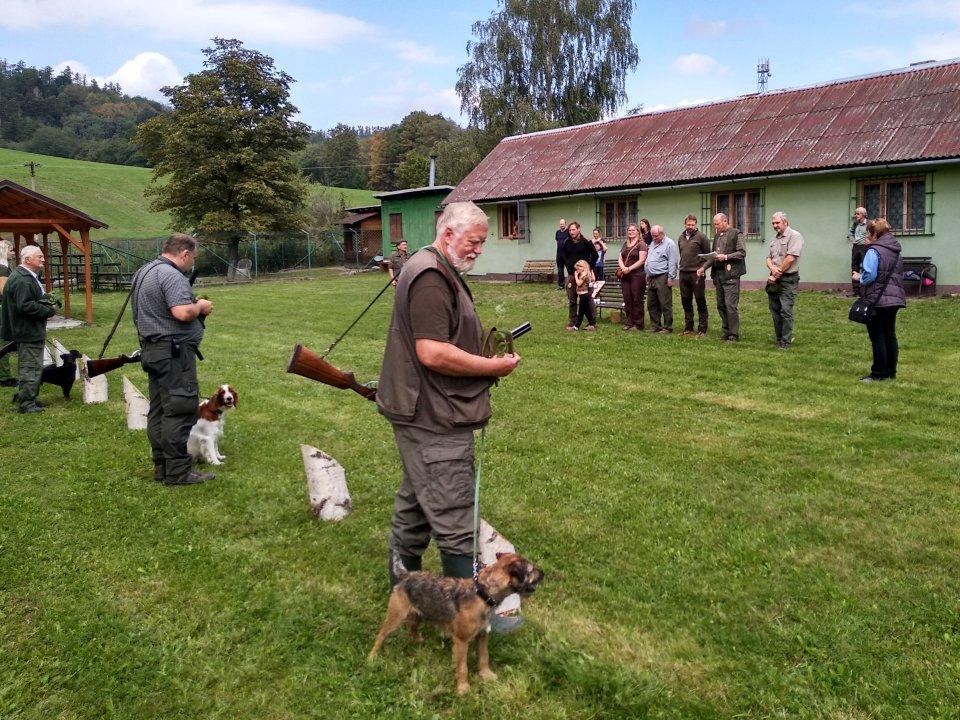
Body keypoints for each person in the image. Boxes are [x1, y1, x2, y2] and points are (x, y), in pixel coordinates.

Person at [377, 200, 521, 606]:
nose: (478, 250)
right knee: (455, 509)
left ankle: (401, 594)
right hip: (433, 414)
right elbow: (432, 352)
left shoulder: (434, 267)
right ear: (448, 233)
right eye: (473, 242)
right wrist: (491, 365)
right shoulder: (430, 276)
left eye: (482, 243)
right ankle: (470, 609)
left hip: (424, 408)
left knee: (416, 503)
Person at [131, 233, 214, 486]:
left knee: (159, 411)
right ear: (185, 254)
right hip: (174, 354)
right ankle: (177, 472)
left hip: (153, 351)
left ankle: (162, 467)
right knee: (179, 410)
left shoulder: (145, 271)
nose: (191, 264)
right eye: (193, 259)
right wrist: (200, 306)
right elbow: (182, 311)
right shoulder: (171, 275)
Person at [0, 246, 56, 413]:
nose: (43, 259)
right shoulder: (23, 279)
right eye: (39, 257)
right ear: (28, 260)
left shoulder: (24, 276)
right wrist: (49, 310)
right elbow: (25, 306)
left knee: (30, 365)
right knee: (30, 367)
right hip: (27, 331)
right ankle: (26, 403)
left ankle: (28, 398)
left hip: (27, 329)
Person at [852, 218, 906, 382]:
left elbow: (869, 276)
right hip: (894, 298)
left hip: (877, 298)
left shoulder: (874, 250)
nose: (868, 235)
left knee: (877, 336)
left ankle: (878, 374)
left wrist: (858, 277)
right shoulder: (895, 250)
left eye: (869, 232)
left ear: (875, 233)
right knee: (890, 334)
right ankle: (890, 371)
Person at [698, 213, 746, 342]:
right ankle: (726, 331)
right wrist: (703, 268)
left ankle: (734, 334)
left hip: (731, 275)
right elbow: (714, 257)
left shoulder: (736, 233)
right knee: (721, 305)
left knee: (730, 305)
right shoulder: (717, 236)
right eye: (714, 224)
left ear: (725, 221)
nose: (716, 226)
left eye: (717, 224)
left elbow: (742, 253)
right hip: (719, 276)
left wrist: (725, 257)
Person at [765, 211, 804, 350]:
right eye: (773, 223)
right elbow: (768, 258)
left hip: (788, 279)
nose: (775, 225)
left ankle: (786, 342)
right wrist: (772, 269)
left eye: (777, 223)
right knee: (774, 310)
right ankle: (779, 338)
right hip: (774, 278)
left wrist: (776, 273)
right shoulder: (775, 239)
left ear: (785, 222)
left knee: (785, 310)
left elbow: (790, 258)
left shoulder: (795, 236)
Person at [677, 214, 711, 336]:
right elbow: (682, 254)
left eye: (693, 224)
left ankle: (702, 329)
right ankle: (688, 328)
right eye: (688, 224)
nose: (690, 226)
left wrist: (702, 268)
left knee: (700, 300)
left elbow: (709, 257)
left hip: (697, 274)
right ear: (685, 224)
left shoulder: (702, 237)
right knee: (685, 301)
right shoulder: (681, 237)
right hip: (683, 273)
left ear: (696, 224)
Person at [561, 221, 598, 331]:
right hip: (572, 274)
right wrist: (569, 266)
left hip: (585, 275)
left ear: (578, 230)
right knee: (572, 299)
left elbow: (595, 255)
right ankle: (573, 321)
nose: (571, 232)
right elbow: (563, 255)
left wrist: (589, 268)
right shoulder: (567, 242)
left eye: (573, 230)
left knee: (587, 298)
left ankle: (592, 322)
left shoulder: (586, 241)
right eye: (570, 230)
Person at [644, 225, 678, 334]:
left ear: (662, 234)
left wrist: (671, 278)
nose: (654, 238)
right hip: (651, 277)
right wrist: (647, 273)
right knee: (651, 303)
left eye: (656, 236)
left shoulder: (670, 244)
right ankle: (655, 325)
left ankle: (667, 327)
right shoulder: (653, 243)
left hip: (662, 276)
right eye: (652, 236)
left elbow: (672, 262)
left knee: (665, 303)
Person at [617, 223, 648, 331]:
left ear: (638, 232)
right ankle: (629, 322)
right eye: (629, 230)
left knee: (636, 299)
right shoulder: (625, 244)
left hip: (637, 275)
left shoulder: (642, 244)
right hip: (625, 276)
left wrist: (629, 268)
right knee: (627, 299)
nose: (631, 232)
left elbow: (642, 260)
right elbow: (620, 258)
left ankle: (638, 324)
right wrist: (623, 267)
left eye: (633, 230)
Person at [0, 257, 15, 387]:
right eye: (10, 249)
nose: (12, 252)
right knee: (3, 343)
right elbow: (3, 292)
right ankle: (4, 378)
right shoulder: (2, 269)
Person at [570, 260, 597, 331]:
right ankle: (592, 324)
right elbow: (593, 279)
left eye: (578, 269)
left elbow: (579, 283)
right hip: (583, 295)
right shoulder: (587, 273)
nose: (577, 270)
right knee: (586, 310)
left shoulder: (584, 275)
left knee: (581, 312)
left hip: (584, 295)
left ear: (583, 267)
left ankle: (576, 326)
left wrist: (576, 276)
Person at [848, 206, 868, 295]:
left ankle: (864, 290)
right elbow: (850, 232)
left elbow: (873, 234)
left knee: (866, 267)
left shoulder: (869, 223)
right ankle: (855, 290)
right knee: (854, 267)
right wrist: (853, 240)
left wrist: (868, 242)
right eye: (855, 213)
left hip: (865, 247)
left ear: (863, 215)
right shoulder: (855, 223)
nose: (856, 215)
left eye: (858, 214)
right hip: (856, 247)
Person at [555, 218, 569, 290]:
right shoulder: (557, 232)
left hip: (566, 254)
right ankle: (561, 285)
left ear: (565, 224)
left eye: (563, 224)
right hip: (559, 254)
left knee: (569, 269)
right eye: (560, 224)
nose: (562, 225)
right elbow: (557, 241)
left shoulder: (568, 232)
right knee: (560, 271)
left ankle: (570, 284)